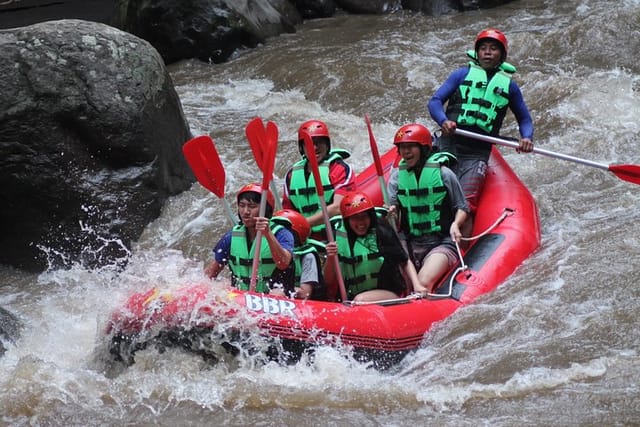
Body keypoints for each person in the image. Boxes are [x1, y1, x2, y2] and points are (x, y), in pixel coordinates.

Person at [428, 28, 534, 235]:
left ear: (502, 56)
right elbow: (435, 101)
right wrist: (443, 121)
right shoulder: (461, 75)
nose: (487, 52)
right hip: (449, 144)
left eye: (493, 49)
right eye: (483, 48)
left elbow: (525, 118)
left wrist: (526, 138)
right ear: (476, 52)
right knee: (434, 194)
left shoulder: (510, 88)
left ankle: (462, 254)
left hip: (477, 152)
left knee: (466, 206)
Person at [386, 124, 470, 294]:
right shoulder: (395, 179)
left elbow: (462, 207)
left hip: (441, 242)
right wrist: (391, 215)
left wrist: (456, 224)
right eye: (402, 148)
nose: (406, 152)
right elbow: (392, 219)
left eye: (410, 147)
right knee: (401, 286)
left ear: (423, 148)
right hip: (410, 242)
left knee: (422, 283)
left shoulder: (444, 174)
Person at [324, 191, 421, 303]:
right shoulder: (338, 237)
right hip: (352, 299)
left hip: (387, 293)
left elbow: (404, 261)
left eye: (364, 216)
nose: (361, 222)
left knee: (360, 299)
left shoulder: (382, 231)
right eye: (355, 217)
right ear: (347, 221)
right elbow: (328, 280)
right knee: (357, 299)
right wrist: (331, 258)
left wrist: (417, 285)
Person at [204, 183, 294, 295]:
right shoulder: (231, 236)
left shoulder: (282, 233)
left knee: (277, 293)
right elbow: (210, 274)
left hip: (273, 297)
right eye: (242, 206)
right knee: (221, 286)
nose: (245, 212)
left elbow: (283, 263)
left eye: (252, 206)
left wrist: (268, 234)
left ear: (265, 210)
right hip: (241, 297)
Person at [282, 119, 356, 242]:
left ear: (327, 145)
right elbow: (288, 212)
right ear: (302, 147)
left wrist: (304, 223)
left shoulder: (339, 169)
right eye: (309, 143)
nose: (315, 147)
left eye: (319, 142)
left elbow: (339, 207)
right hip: (305, 239)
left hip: (336, 236)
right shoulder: (291, 175)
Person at [272, 209, 326, 300]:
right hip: (273, 297)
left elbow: (305, 293)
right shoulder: (272, 249)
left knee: (276, 294)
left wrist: (284, 292)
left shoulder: (308, 256)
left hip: (301, 304)